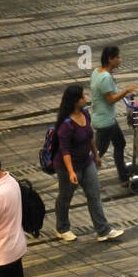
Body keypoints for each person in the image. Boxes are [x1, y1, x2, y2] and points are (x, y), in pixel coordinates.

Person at [52, 83, 124, 242]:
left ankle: (103, 230)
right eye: (82, 97)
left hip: (86, 161)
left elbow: (90, 136)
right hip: (67, 167)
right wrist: (71, 172)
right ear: (75, 101)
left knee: (94, 194)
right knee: (65, 196)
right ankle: (62, 228)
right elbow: (65, 151)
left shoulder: (85, 114)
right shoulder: (66, 125)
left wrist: (96, 155)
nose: (85, 99)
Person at [89, 46, 136, 184]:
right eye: (117, 57)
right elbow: (110, 100)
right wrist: (126, 91)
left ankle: (123, 175)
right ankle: (86, 178)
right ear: (110, 59)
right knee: (98, 153)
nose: (119, 60)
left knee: (120, 143)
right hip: (105, 122)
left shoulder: (97, 72)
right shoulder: (105, 78)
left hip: (106, 118)